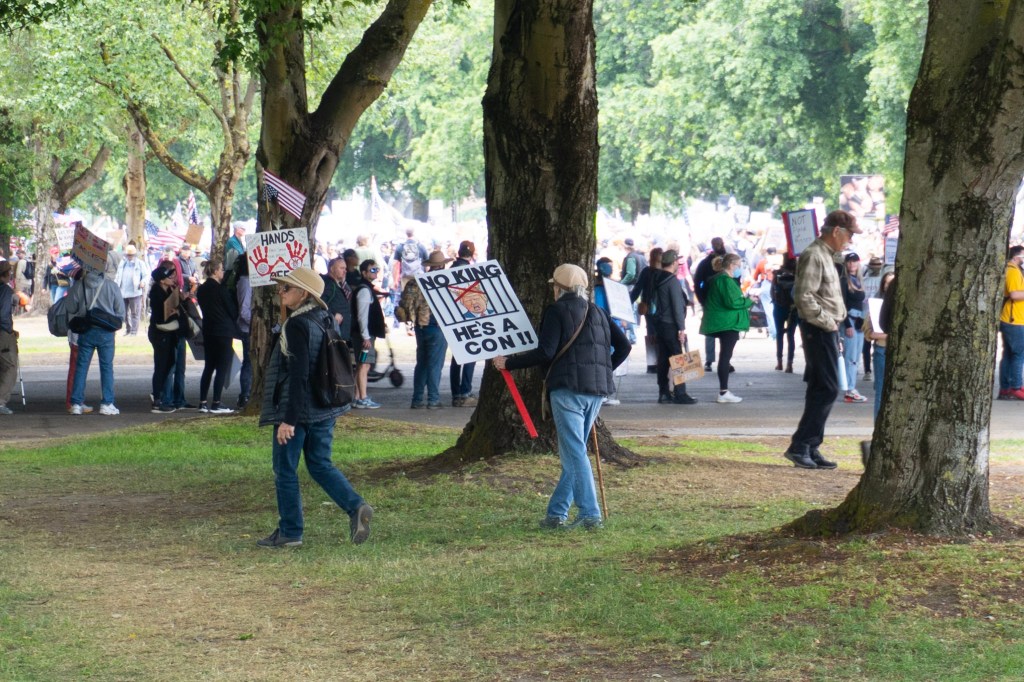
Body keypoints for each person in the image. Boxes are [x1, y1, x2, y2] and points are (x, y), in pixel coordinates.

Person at [492, 264, 630, 530]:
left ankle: (590, 515)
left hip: (567, 390)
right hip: (597, 391)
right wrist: (603, 370)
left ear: (558, 288)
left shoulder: (556, 311)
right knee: (574, 451)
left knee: (574, 452)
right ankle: (556, 514)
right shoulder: (598, 311)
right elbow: (624, 346)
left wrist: (508, 363)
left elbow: (546, 352)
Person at [257, 266, 373, 548]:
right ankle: (356, 506)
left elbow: (298, 375)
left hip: (299, 409)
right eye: (281, 287)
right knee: (320, 464)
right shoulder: (324, 317)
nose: (280, 292)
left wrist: (288, 420)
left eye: (287, 288)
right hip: (325, 406)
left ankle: (290, 532)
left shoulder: (297, 325)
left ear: (304, 293)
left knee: (284, 470)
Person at [784, 209, 862, 469]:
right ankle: (802, 445)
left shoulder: (827, 256)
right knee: (828, 387)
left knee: (821, 387)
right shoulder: (814, 255)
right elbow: (804, 296)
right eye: (849, 234)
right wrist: (829, 324)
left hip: (825, 328)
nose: (850, 240)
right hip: (818, 329)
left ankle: (809, 445)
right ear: (836, 231)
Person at [65, 265, 126, 416]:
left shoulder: (79, 285)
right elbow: (120, 312)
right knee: (106, 368)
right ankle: (107, 403)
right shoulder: (112, 286)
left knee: (81, 368)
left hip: (86, 331)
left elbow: (70, 307)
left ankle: (76, 403)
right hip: (106, 332)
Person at [699, 253, 754, 403]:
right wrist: (749, 301)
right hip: (727, 323)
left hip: (723, 322)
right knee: (725, 357)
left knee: (725, 356)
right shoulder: (725, 280)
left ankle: (724, 391)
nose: (740, 269)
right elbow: (732, 302)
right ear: (731, 265)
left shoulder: (719, 279)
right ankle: (723, 392)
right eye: (738, 266)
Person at [401, 250, 451, 409]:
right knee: (435, 364)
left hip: (420, 326)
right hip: (437, 326)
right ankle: (433, 399)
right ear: (442, 265)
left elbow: (405, 305)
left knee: (421, 363)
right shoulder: (446, 282)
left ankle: (416, 399)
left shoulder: (415, 282)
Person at [647, 249, 697, 405]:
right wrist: (681, 329)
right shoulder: (672, 281)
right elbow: (677, 306)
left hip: (659, 324)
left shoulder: (655, 278)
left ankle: (663, 392)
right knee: (678, 358)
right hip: (670, 324)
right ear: (674, 262)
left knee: (663, 359)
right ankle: (680, 392)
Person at [195, 258, 240, 414]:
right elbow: (232, 311)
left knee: (208, 367)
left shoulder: (201, 290)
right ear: (215, 271)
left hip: (208, 330)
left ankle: (202, 402)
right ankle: (216, 402)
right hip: (223, 331)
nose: (222, 272)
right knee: (221, 367)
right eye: (220, 269)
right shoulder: (221, 290)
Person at [149, 264, 185, 413]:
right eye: (170, 276)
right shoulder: (156, 292)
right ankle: (158, 399)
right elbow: (161, 316)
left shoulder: (169, 289)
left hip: (169, 333)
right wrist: (174, 312)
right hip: (160, 333)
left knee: (168, 363)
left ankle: (162, 397)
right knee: (162, 366)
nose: (173, 278)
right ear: (162, 280)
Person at [350, 259, 387, 409]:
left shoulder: (366, 289)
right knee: (364, 365)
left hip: (365, 335)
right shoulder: (364, 290)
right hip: (364, 336)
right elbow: (362, 315)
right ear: (364, 273)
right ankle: (362, 397)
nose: (375, 272)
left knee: (362, 364)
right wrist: (365, 336)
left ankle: (358, 396)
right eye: (372, 270)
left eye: (376, 269)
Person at [449, 241, 478, 407]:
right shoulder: (470, 272)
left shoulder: (450, 271)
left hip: (453, 319)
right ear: (472, 254)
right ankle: (465, 391)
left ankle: (455, 393)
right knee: (471, 355)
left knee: (457, 357)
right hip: (468, 316)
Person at [693, 237, 729, 371]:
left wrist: (702, 299)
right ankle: (713, 360)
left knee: (717, 331)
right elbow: (698, 283)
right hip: (716, 302)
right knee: (719, 331)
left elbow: (698, 283)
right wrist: (702, 299)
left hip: (716, 301)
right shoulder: (709, 262)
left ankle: (717, 360)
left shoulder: (708, 262)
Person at [864, 272, 896, 419]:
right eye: (887, 283)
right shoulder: (876, 305)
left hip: (896, 351)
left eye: (892, 283)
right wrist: (888, 335)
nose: (889, 286)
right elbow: (869, 333)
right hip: (882, 350)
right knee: (881, 391)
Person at [840, 252, 868, 403]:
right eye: (849, 262)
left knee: (856, 358)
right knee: (850, 357)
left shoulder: (858, 280)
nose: (852, 264)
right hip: (849, 320)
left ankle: (852, 386)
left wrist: (862, 318)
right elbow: (841, 304)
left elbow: (863, 303)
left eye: (854, 262)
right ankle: (849, 388)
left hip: (859, 321)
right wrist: (847, 324)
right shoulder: (844, 281)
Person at [998, 245, 1024, 400]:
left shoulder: (1013, 270)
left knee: (1009, 354)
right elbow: (1014, 294)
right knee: (1018, 354)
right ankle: (1016, 386)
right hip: (1014, 320)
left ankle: (1006, 388)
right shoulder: (1013, 272)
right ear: (1016, 256)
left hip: (1012, 318)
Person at [771, 254, 798, 373]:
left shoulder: (777, 273)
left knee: (779, 334)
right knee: (791, 335)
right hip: (793, 308)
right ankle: (789, 364)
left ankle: (779, 362)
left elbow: (772, 290)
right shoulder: (798, 273)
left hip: (779, 307)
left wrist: (776, 301)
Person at [114, 245, 147, 336]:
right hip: (122, 292)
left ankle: (134, 331)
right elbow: (118, 275)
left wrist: (143, 282)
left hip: (135, 292)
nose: (129, 257)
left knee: (135, 313)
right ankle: (128, 329)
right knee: (123, 313)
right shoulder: (122, 263)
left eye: (131, 255)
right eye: (128, 255)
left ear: (135, 255)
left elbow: (146, 276)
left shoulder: (140, 263)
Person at [234, 256, 253, 409]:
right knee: (249, 362)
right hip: (248, 328)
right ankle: (245, 395)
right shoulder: (246, 282)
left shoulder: (246, 281)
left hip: (249, 326)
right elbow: (244, 311)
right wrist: (255, 324)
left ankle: (247, 393)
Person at [321, 256, 354, 343]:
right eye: (342, 268)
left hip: (339, 335)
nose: (345, 271)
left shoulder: (337, 284)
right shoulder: (329, 285)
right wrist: (332, 314)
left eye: (345, 268)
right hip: (334, 336)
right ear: (332, 269)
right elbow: (319, 303)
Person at [0, 261, 17, 415]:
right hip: (2, 333)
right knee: (10, 366)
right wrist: (9, 330)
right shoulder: (6, 291)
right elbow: (4, 314)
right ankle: (1, 401)